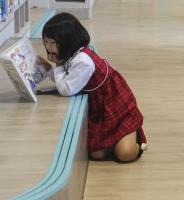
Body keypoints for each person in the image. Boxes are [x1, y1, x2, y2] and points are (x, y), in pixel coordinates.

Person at [37, 12, 147, 162]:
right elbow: (68, 79)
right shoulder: (72, 54)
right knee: (97, 154)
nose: (47, 46)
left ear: (66, 41)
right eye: (45, 41)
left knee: (125, 154)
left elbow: (66, 89)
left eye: (51, 42)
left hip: (115, 103)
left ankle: (138, 140)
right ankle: (119, 139)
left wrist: (56, 65)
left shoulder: (83, 61)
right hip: (101, 105)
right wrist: (50, 69)